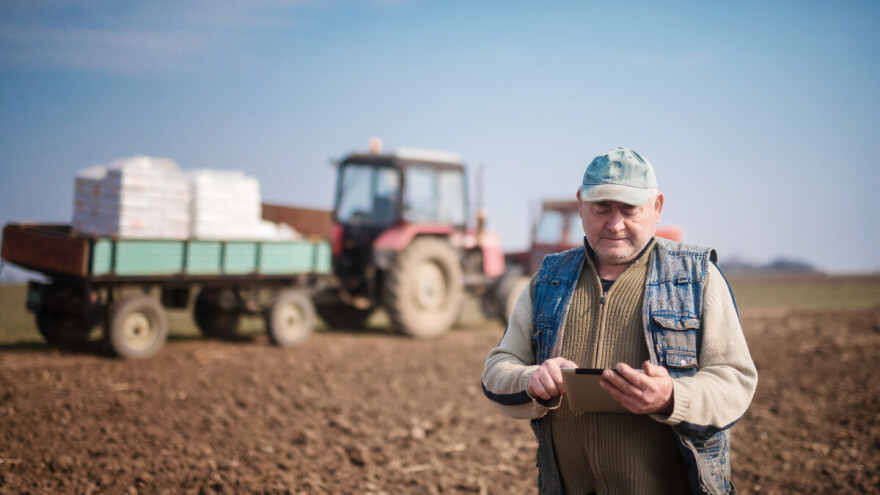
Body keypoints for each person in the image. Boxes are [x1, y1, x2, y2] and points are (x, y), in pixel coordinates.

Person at [481, 147, 758, 495]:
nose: (614, 224)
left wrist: (673, 397)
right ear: (581, 204)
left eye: (629, 210)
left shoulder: (698, 278)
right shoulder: (548, 280)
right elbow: (497, 369)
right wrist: (533, 379)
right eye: (601, 208)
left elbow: (735, 380)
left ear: (656, 207)